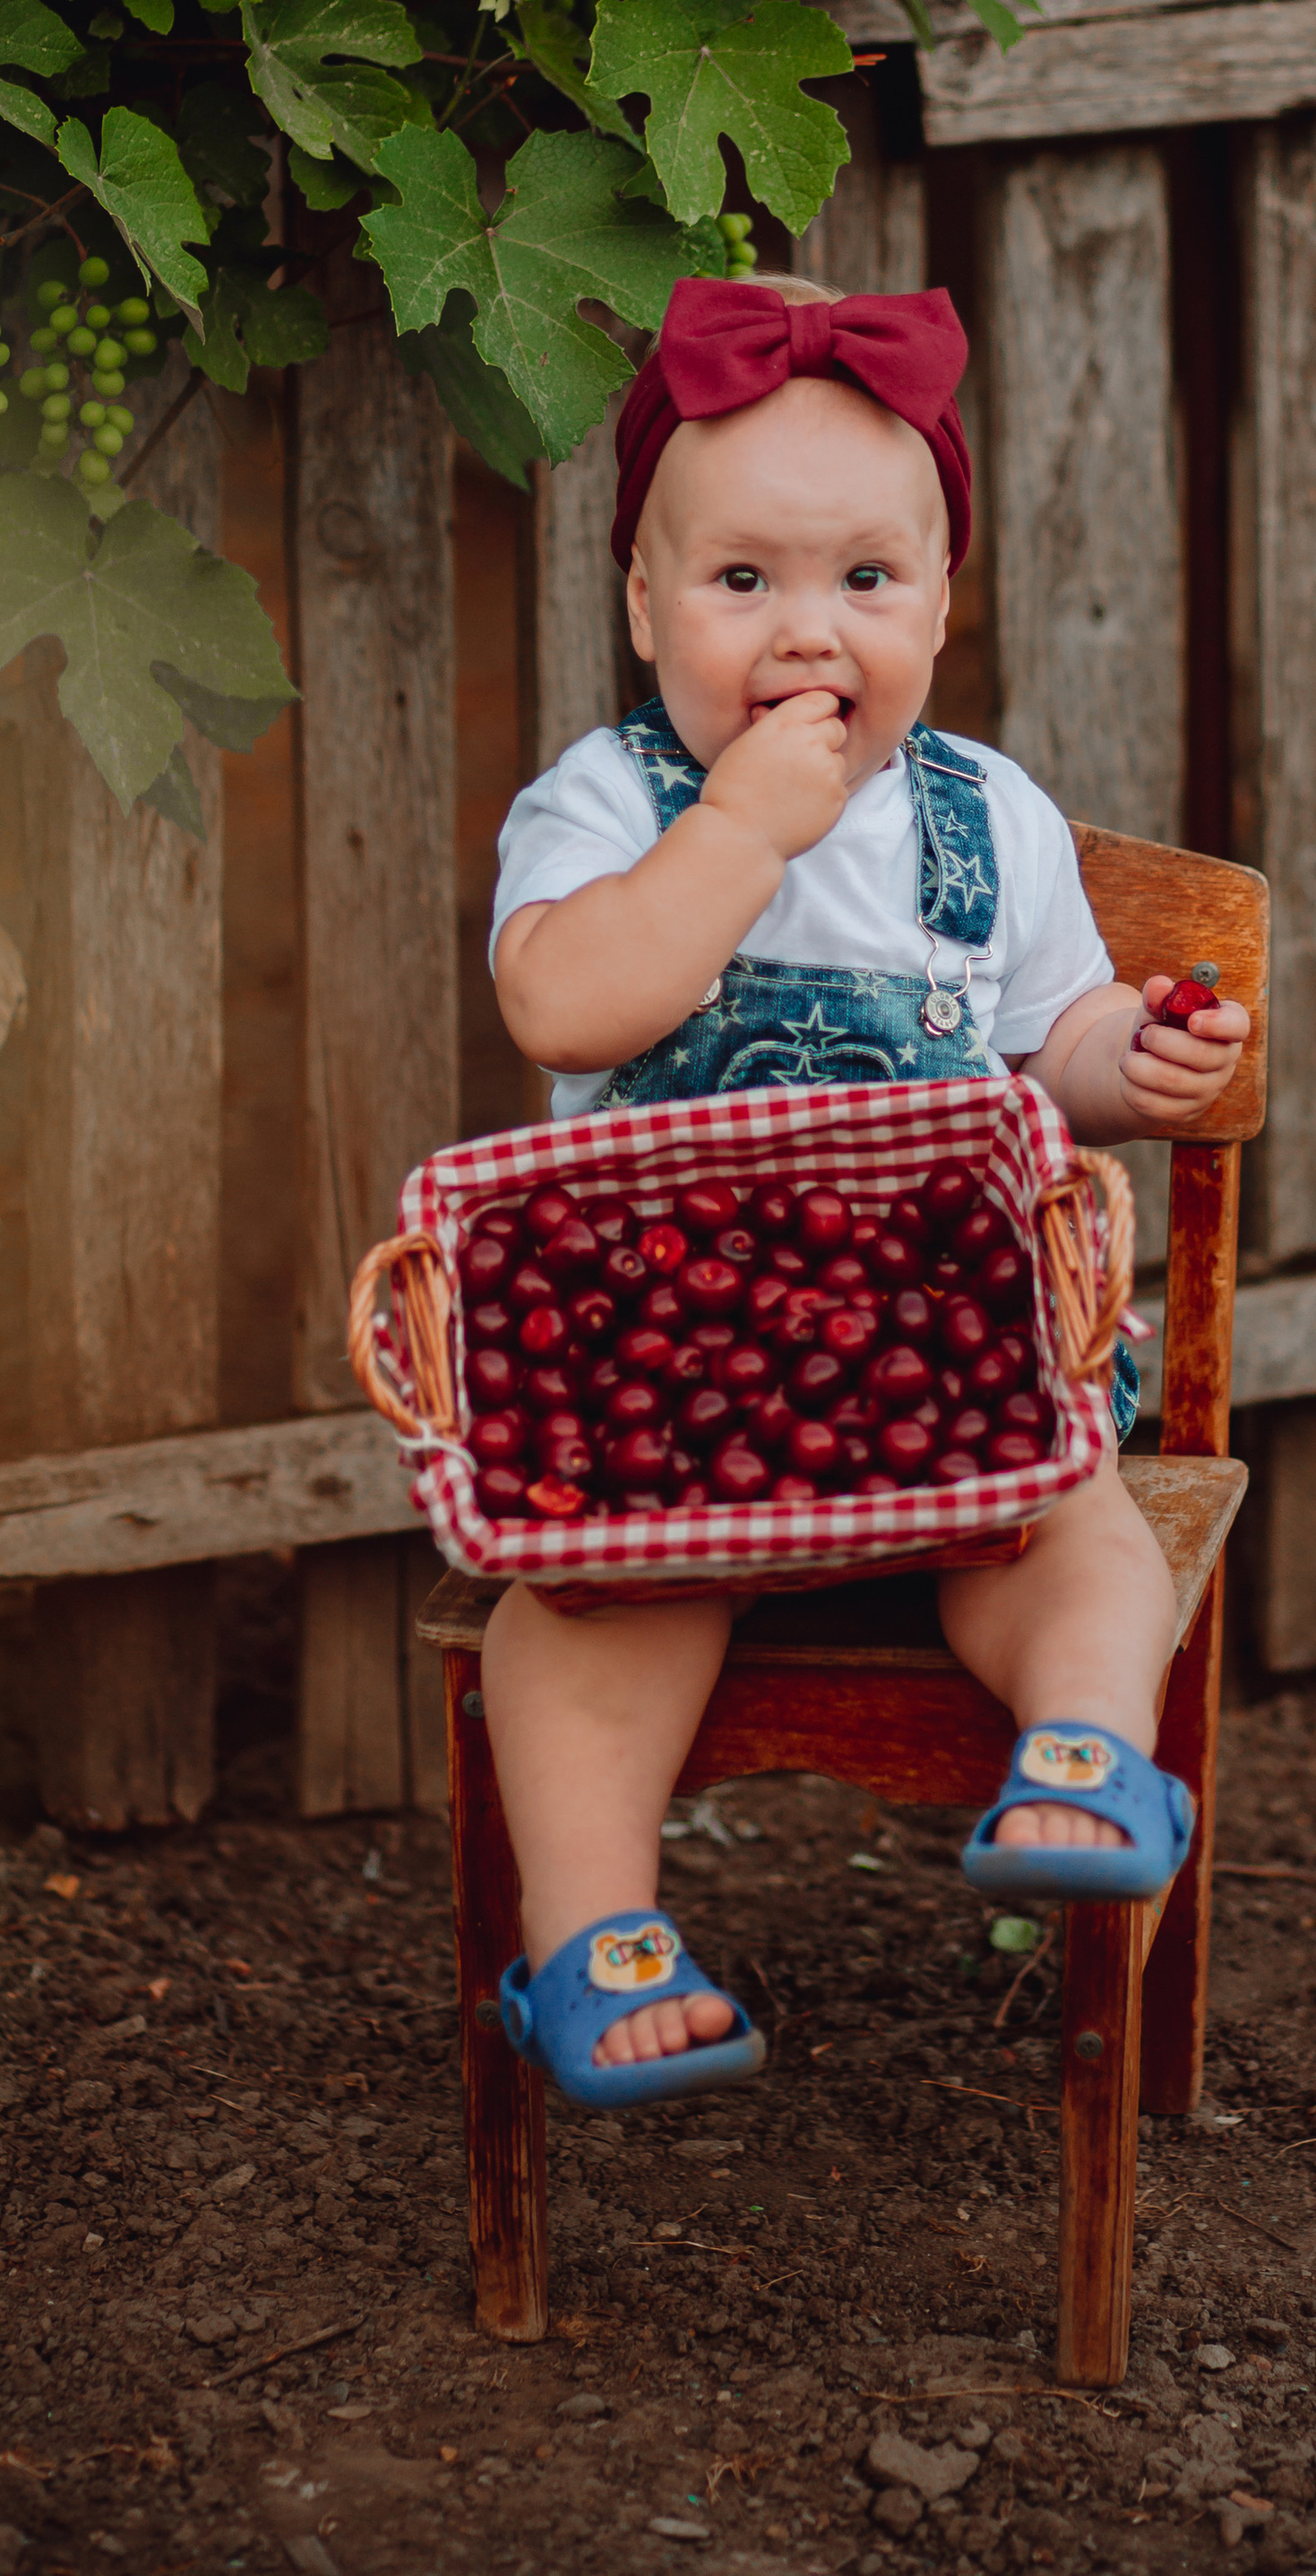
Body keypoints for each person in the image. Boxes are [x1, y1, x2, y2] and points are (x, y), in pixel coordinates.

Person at [482, 273, 1251, 2109]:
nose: (802, 631)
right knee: (577, 1609)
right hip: (671, 1388)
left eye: (862, 582)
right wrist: (737, 829)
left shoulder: (986, 816)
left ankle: (1080, 1755)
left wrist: (1118, 1063)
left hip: (941, 1379)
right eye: (740, 581)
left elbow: (1036, 1037)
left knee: (1074, 1531)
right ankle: (588, 1940)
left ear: (937, 605)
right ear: (642, 602)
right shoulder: (606, 804)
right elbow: (565, 1000)